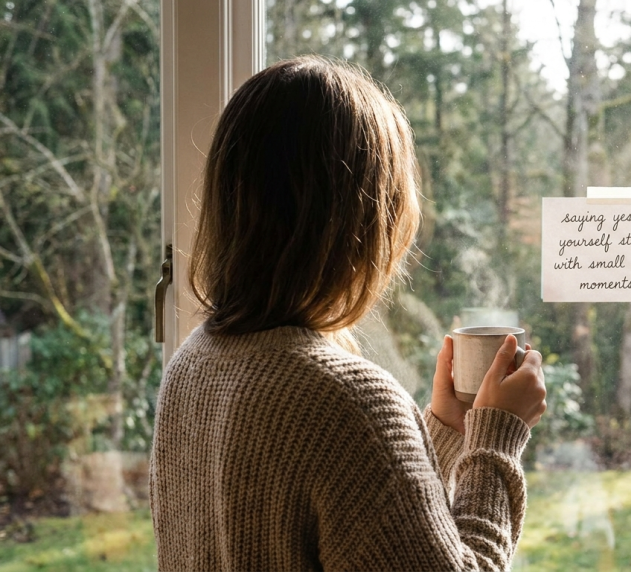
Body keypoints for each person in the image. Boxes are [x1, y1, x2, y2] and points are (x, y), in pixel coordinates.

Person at [149, 55, 546, 571]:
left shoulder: (191, 366)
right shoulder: (348, 403)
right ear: (365, 221)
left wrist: (446, 430)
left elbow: (366, 524)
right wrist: (496, 440)